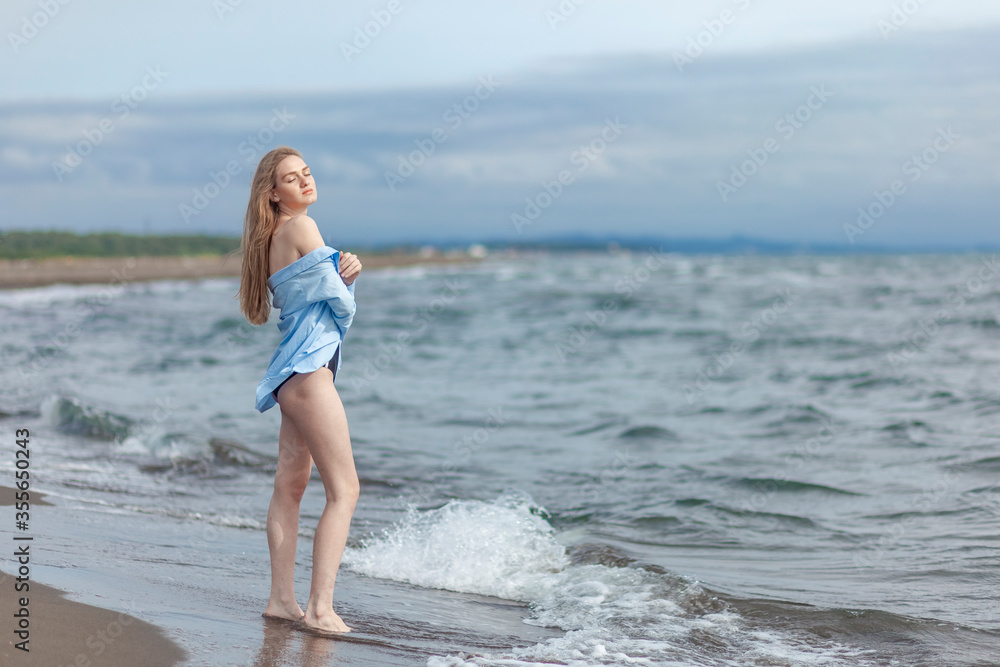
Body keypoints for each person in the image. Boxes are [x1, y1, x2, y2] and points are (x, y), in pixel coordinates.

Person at [236, 145, 362, 634]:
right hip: (310, 374)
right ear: (274, 193)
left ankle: (280, 601)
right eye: (293, 178)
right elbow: (341, 307)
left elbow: (317, 292)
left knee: (289, 488)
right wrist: (348, 274)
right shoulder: (302, 228)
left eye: (307, 173)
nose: (305, 181)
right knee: (344, 490)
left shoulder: (273, 237)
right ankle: (320, 609)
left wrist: (337, 271)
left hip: (291, 374)